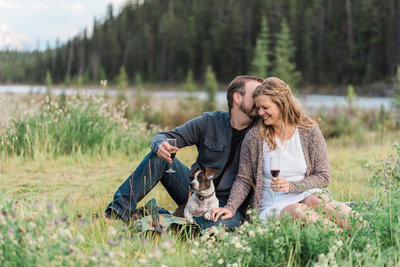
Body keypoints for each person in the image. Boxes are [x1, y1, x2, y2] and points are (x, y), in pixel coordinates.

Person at [105, 75, 263, 230]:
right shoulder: (209, 122)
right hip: (194, 193)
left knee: (214, 226)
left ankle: (160, 216)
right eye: (256, 94)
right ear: (237, 98)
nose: (260, 100)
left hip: (229, 205)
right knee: (159, 158)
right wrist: (160, 145)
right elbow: (164, 137)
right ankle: (117, 213)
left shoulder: (262, 132)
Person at [212, 77, 355, 230]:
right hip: (272, 203)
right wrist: (230, 206)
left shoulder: (309, 130)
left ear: (281, 104)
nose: (260, 113)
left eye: (265, 107)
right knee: (299, 211)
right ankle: (342, 241)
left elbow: (323, 176)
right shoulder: (255, 137)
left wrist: (291, 186)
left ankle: (367, 232)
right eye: (258, 108)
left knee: (317, 201)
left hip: (305, 194)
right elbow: (244, 178)